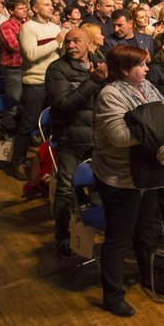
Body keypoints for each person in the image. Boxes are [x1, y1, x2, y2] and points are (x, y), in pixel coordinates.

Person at [92, 45, 164, 317]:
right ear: (123, 70)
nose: (146, 69)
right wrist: (157, 123)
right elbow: (119, 135)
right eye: (140, 65)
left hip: (147, 171)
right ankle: (113, 295)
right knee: (119, 237)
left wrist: (163, 115)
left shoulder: (148, 87)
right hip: (120, 176)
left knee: (146, 230)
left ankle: (148, 275)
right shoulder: (110, 94)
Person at [44, 28, 104, 258]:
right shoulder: (57, 69)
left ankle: (96, 225)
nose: (70, 46)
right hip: (72, 137)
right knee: (66, 188)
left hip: (98, 136)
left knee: (102, 184)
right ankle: (62, 236)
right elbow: (65, 102)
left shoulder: (100, 64)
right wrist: (92, 81)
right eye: (67, 42)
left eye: (76, 41)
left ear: (88, 44)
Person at [6, 0, 63, 181]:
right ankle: (18, 162)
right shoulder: (28, 28)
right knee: (28, 124)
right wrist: (56, 41)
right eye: (46, 4)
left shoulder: (55, 27)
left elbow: (58, 54)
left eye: (51, 4)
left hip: (53, 82)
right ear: (35, 8)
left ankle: (46, 163)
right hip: (35, 83)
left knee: (53, 124)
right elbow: (30, 54)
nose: (51, 7)